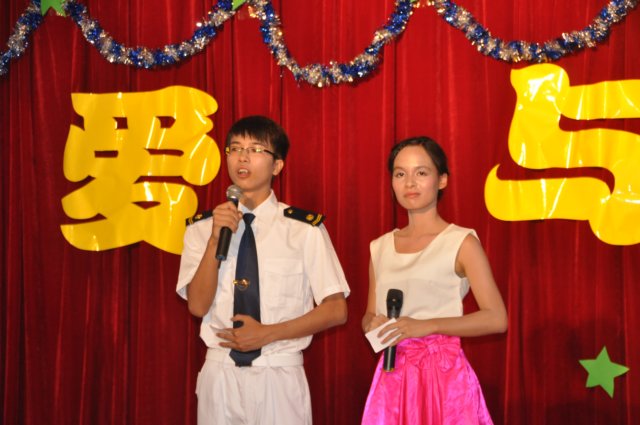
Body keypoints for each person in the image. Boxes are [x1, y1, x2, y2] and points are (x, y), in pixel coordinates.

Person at [177, 115, 350, 425]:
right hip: (220, 373)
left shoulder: (303, 229)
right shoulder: (201, 229)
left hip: (278, 370)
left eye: (256, 149)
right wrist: (215, 240)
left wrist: (266, 334)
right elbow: (197, 306)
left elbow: (336, 309)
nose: (242, 157)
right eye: (235, 148)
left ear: (277, 165)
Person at [361, 136, 507, 425]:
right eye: (400, 174)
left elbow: (496, 318)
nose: (410, 183)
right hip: (393, 374)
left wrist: (428, 326)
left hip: (444, 377)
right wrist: (372, 324)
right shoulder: (380, 247)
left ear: (442, 180)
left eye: (421, 172)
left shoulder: (461, 242)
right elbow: (368, 315)